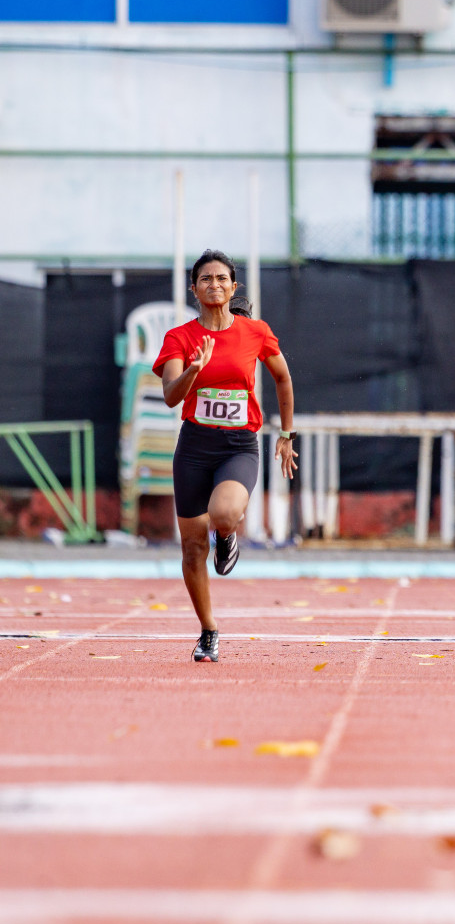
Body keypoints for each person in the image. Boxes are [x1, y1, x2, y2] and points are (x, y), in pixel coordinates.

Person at [153, 249, 297, 663]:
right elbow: (169, 396)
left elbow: (283, 378)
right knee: (192, 547)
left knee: (223, 514)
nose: (213, 285)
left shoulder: (255, 331)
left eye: (221, 279)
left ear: (233, 287)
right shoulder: (179, 338)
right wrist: (192, 372)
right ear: (193, 289)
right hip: (195, 448)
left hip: (238, 445)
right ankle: (209, 630)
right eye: (205, 279)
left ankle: (228, 536)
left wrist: (286, 433)